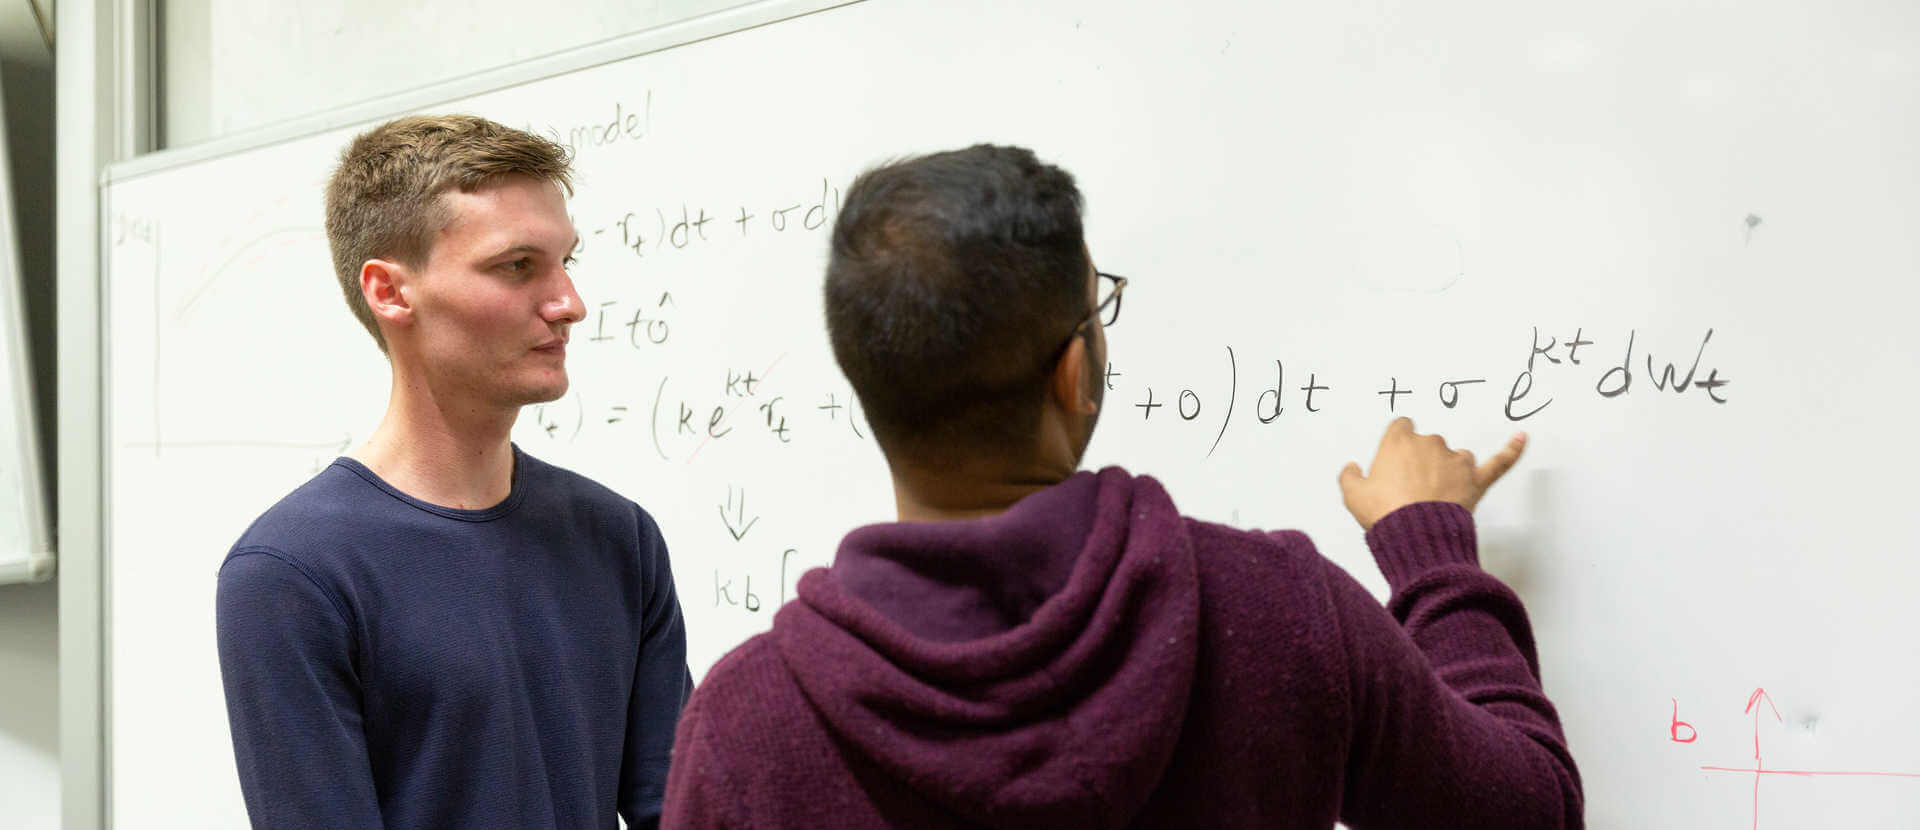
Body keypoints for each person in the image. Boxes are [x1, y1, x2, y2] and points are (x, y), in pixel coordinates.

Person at [662, 145, 1582, 828]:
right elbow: (1529, 812)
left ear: (866, 382)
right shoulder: (1280, 615)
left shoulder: (747, 726)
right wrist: (1433, 553)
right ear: (1075, 371)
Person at [215, 114, 692, 829]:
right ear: (390, 291)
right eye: (517, 266)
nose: (569, 303)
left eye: (566, 262)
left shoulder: (618, 538)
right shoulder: (292, 572)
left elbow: (682, 813)